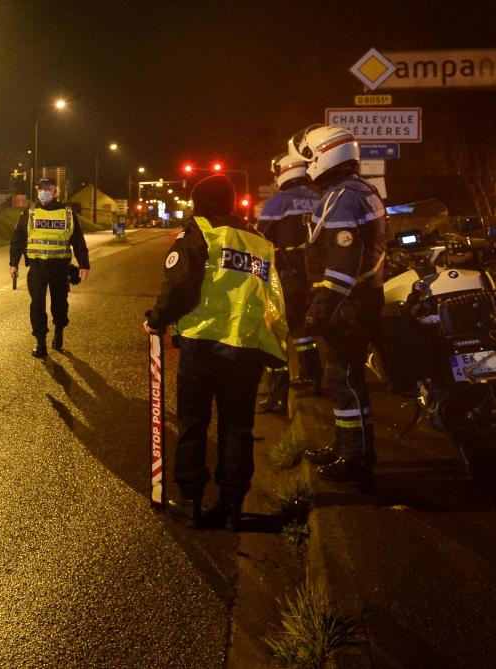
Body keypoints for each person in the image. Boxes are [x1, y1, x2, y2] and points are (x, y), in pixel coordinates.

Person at [143, 174, 288, 530]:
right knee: (238, 427)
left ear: (199, 203)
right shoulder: (259, 242)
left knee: (194, 423)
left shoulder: (199, 233)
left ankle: (191, 501)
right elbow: (275, 301)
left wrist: (157, 320)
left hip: (203, 346)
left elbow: (182, 287)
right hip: (247, 349)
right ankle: (232, 506)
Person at [291, 125, 387, 484]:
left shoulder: (343, 197)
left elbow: (343, 260)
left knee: (344, 379)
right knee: (344, 379)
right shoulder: (360, 190)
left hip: (348, 305)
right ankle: (348, 444)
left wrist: (322, 307)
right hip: (358, 301)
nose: (307, 165)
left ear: (324, 155)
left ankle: (355, 458)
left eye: (309, 157)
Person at [255, 147, 322, 414]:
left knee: (275, 333)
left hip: (287, 278)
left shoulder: (278, 202)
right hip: (315, 278)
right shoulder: (319, 198)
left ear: (283, 173)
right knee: (304, 331)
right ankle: (312, 375)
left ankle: (277, 393)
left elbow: (260, 238)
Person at [9, 177, 89, 357]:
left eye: (48, 188)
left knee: (60, 303)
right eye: (40, 188)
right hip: (37, 267)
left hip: (60, 267)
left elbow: (78, 240)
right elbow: (18, 239)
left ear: (55, 191)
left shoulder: (67, 213)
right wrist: (13, 263)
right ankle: (40, 342)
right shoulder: (29, 212)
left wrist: (84, 264)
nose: (43, 191)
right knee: (37, 304)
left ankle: (59, 332)